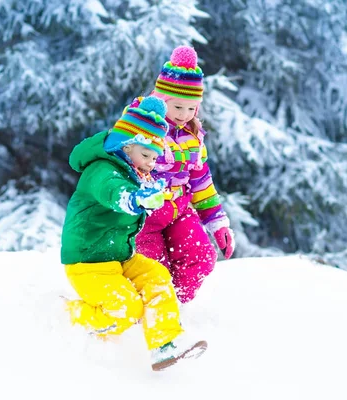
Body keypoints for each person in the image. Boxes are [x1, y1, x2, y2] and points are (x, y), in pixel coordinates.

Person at [60, 96, 207, 371]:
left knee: (157, 277)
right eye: (147, 155)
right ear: (126, 146)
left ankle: (164, 345)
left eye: (154, 157)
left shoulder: (135, 172)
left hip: (120, 257)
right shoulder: (102, 169)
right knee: (126, 309)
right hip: (87, 261)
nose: (152, 163)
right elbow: (112, 191)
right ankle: (68, 315)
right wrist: (134, 199)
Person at [131, 45, 235, 304]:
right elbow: (120, 166)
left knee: (200, 256)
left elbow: (201, 182)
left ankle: (175, 306)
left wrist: (217, 222)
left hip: (179, 209)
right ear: (161, 99)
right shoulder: (141, 131)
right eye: (178, 107)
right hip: (145, 216)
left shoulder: (193, 138)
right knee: (154, 269)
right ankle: (147, 313)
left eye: (192, 109)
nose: (183, 115)